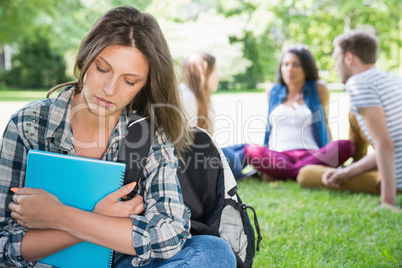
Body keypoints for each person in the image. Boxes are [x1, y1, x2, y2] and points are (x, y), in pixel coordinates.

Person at [0, 6, 236, 267]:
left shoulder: (149, 132)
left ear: (144, 85)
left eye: (130, 81)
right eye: (102, 69)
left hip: (123, 261)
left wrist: (60, 216)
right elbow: (3, 246)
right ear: (85, 59)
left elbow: (170, 234)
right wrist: (103, 218)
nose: (109, 90)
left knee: (214, 252)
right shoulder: (29, 124)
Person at [297, 29, 402, 208]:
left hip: (393, 178)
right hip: (390, 163)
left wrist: (388, 203)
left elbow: (385, 144)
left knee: (306, 174)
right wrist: (348, 172)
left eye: (336, 59)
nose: (335, 66)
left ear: (349, 58)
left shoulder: (358, 83)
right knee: (338, 173)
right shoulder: (392, 79)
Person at [224, 45, 355, 181]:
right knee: (250, 150)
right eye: (285, 65)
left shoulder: (319, 88)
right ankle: (303, 172)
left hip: (311, 154)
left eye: (296, 65)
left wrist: (329, 149)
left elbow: (325, 123)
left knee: (346, 146)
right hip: (278, 156)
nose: (289, 69)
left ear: (306, 68)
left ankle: (285, 174)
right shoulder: (272, 91)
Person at [178, 51, 219, 135]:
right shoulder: (187, 97)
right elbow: (187, 143)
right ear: (200, 73)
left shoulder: (204, 99)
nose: (218, 76)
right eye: (213, 71)